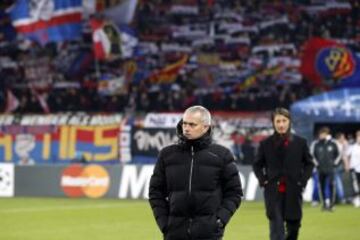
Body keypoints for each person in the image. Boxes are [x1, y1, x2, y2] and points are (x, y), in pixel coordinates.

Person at [149, 105, 243, 240]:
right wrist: (164, 223)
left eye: (192, 124)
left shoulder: (222, 155)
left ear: (206, 127)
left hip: (208, 233)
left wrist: (219, 221)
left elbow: (234, 193)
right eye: (184, 123)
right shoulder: (167, 154)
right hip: (174, 233)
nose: (186, 128)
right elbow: (155, 192)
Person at [253, 107, 314, 240]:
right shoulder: (265, 144)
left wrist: (302, 181)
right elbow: (257, 165)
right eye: (278, 121)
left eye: (284, 121)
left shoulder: (300, 143)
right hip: (273, 192)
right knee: (276, 230)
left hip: (294, 190)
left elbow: (310, 164)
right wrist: (263, 180)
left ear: (289, 122)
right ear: (273, 123)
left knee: (293, 229)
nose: (281, 124)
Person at [311, 127, 341, 211]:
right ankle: (324, 204)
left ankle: (332, 204)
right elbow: (312, 155)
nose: (322, 136)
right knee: (321, 186)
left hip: (331, 169)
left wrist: (335, 163)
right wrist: (317, 164)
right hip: (320, 169)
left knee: (332, 185)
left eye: (323, 134)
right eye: (320, 134)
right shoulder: (316, 144)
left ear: (327, 134)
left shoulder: (333, 143)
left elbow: (339, 154)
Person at [345, 130, 360, 208]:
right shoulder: (352, 147)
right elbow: (346, 156)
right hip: (354, 168)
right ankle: (357, 199)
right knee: (355, 185)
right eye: (358, 136)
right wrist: (347, 165)